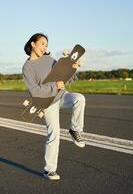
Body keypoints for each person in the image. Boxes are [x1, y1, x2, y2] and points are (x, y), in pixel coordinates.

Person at [22, 33, 86, 180]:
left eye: (46, 45)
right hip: (47, 102)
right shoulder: (27, 67)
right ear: (33, 43)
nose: (44, 47)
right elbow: (34, 91)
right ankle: (49, 170)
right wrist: (54, 86)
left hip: (62, 96)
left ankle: (75, 130)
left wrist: (73, 69)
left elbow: (63, 76)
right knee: (54, 134)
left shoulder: (49, 59)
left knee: (79, 99)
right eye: (42, 43)